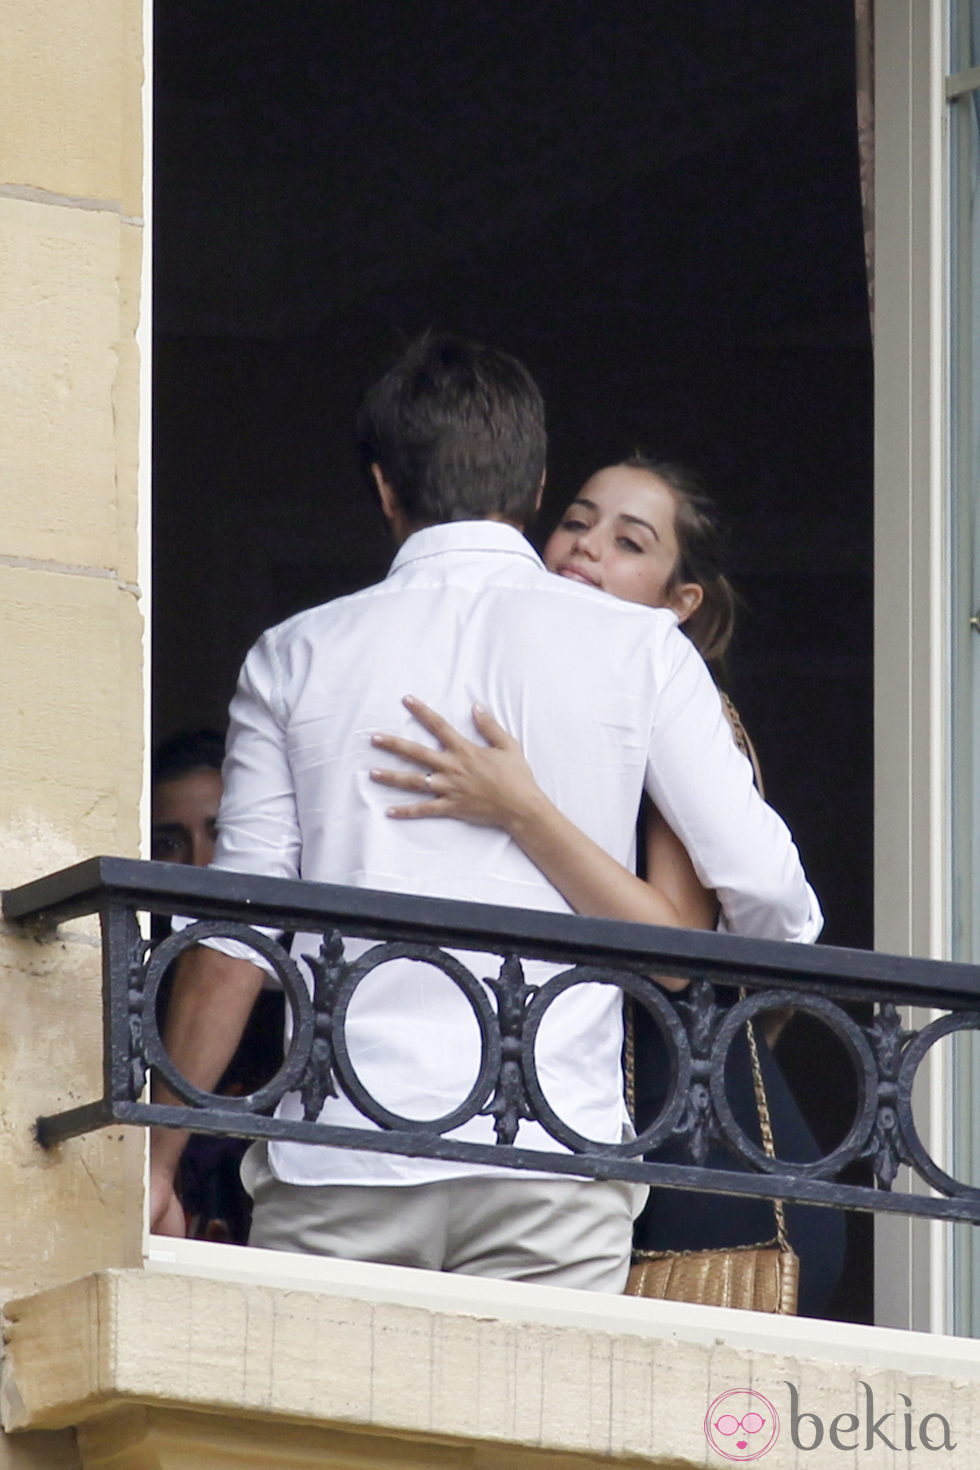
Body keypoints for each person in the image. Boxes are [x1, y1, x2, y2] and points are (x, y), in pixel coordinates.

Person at [149, 333, 821, 1294]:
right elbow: (776, 902)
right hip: (549, 1155)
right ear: (538, 483)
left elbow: (235, 944)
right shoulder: (641, 651)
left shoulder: (294, 655)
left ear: (384, 488)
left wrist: (160, 1163)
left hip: (345, 1156)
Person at [369, 455, 845, 1314]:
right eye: (578, 522)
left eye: (629, 542)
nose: (587, 548)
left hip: (690, 1159)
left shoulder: (667, 703)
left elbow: (673, 952)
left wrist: (521, 809)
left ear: (677, 604)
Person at [151, 729, 283, 1244]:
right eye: (169, 843)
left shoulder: (294, 1000)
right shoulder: (129, 991)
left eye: (221, 836)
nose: (201, 863)